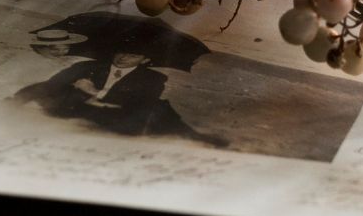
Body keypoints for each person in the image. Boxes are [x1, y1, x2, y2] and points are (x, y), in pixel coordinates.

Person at [11, 8, 218, 143]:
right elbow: (50, 85)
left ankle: (194, 138)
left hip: (115, 120)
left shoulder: (153, 79)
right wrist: (17, 101)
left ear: (145, 60)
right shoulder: (87, 67)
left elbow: (138, 108)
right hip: (78, 112)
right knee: (62, 93)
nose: (123, 58)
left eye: (133, 55)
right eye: (121, 51)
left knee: (160, 109)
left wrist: (94, 93)